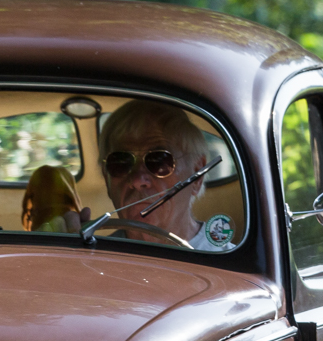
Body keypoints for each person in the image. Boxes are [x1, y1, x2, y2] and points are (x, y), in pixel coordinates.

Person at [61, 99, 235, 252]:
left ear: (197, 177)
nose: (137, 180)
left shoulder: (231, 265)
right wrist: (65, 250)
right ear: (107, 180)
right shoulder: (95, 255)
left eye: (159, 161)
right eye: (120, 163)